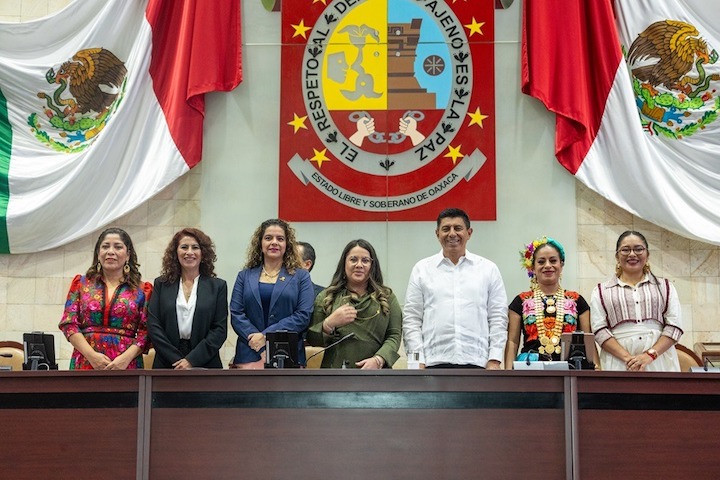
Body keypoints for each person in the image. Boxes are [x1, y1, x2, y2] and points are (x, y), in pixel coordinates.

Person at [402, 208, 508, 369]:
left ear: (469, 233)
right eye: (446, 229)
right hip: (432, 364)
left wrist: (495, 359)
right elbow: (411, 319)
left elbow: (498, 318)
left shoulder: (488, 269)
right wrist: (416, 362)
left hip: (478, 363)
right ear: (437, 233)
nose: (452, 234)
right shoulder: (422, 269)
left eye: (458, 228)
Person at [59, 227, 152, 369]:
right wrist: (91, 355)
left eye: (118, 247)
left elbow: (146, 332)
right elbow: (69, 323)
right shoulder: (81, 284)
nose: (111, 252)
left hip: (127, 365)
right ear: (98, 253)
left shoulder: (143, 290)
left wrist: (124, 359)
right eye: (105, 246)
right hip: (86, 361)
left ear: (128, 255)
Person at [591, 230, 682, 371]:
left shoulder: (665, 287)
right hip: (618, 362)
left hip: (658, 360)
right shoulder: (602, 291)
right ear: (617, 256)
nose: (632, 254)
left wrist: (649, 355)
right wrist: (628, 359)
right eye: (625, 250)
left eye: (638, 249)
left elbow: (674, 326)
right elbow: (599, 330)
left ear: (647, 254)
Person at [229, 219, 314, 368]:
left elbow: (303, 315)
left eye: (280, 239)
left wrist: (266, 336)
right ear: (260, 243)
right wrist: (257, 342)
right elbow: (236, 314)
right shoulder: (244, 276)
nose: (274, 242)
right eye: (268, 238)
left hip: (288, 355)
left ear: (287, 244)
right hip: (250, 353)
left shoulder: (301, 276)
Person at [307, 239, 402, 368]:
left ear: (372, 266)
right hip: (335, 374)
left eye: (365, 260)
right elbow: (312, 339)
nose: (359, 265)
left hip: (376, 374)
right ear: (344, 264)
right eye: (353, 259)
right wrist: (329, 323)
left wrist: (378, 360)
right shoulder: (327, 297)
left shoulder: (387, 297)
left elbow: (394, 336)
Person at [147, 228, 228, 369]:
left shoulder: (218, 286)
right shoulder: (161, 284)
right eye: (184, 247)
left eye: (195, 247)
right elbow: (154, 326)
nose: (189, 252)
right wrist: (177, 360)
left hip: (205, 362)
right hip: (167, 363)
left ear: (203, 253)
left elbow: (219, 330)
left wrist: (192, 361)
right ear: (176, 253)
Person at [504, 237, 591, 367]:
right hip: (530, 367)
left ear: (561, 265)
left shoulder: (577, 300)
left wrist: (595, 368)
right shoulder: (520, 301)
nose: (548, 265)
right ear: (532, 267)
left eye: (553, 260)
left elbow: (588, 340)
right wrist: (508, 373)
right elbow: (512, 341)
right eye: (541, 261)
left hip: (570, 368)